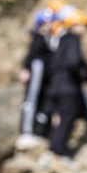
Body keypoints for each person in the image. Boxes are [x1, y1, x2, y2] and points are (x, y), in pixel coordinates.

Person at [45, 8, 87, 159]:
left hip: (56, 86)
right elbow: (73, 61)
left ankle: (56, 148)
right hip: (68, 88)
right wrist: (83, 73)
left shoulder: (61, 39)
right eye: (84, 25)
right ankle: (58, 151)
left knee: (62, 119)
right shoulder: (73, 39)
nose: (86, 29)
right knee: (67, 119)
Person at [16, 9, 53, 150]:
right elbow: (31, 55)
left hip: (44, 75)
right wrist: (26, 69)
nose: (49, 26)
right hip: (36, 71)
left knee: (42, 101)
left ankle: (37, 131)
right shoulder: (38, 38)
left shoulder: (49, 39)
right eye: (47, 23)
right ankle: (26, 132)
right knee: (31, 101)